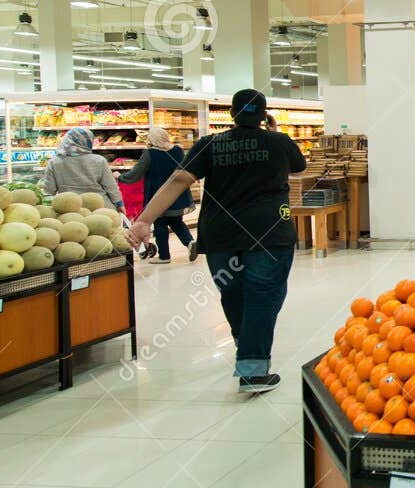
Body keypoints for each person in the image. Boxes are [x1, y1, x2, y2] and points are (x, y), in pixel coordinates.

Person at [129, 88, 306, 394]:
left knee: (232, 292)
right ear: (264, 115)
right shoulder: (279, 142)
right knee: (263, 295)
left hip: (220, 234)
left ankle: (245, 344)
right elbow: (298, 166)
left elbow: (178, 180)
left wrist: (144, 220)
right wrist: (273, 132)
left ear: (232, 115)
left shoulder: (210, 144)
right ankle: (252, 370)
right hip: (269, 231)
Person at [119, 127, 195, 265]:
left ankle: (164, 256)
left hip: (157, 195)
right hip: (177, 195)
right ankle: (190, 242)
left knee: (160, 224)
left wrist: (120, 177)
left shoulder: (150, 153)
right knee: (177, 222)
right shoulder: (178, 150)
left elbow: (136, 173)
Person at [41, 128, 123, 209]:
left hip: (70, 207)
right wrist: (119, 204)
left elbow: (49, 190)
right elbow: (111, 186)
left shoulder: (54, 162)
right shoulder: (99, 160)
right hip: (100, 206)